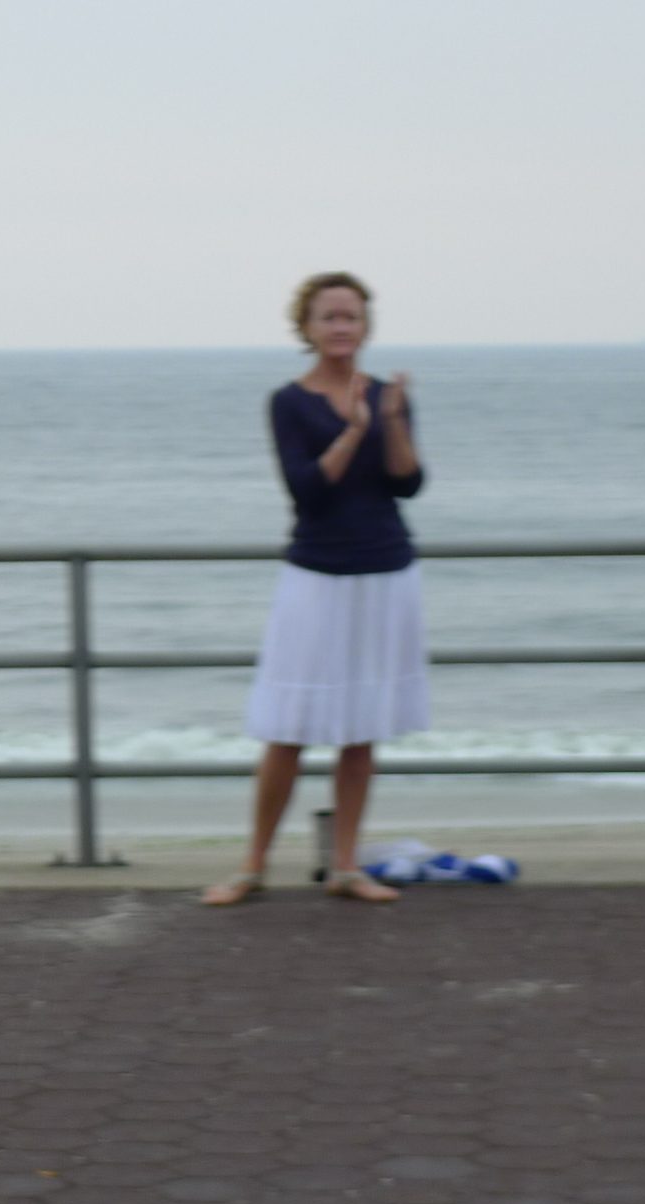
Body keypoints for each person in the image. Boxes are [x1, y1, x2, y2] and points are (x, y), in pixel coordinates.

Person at [202, 272, 428, 906]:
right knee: (289, 727)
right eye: (328, 316)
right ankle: (251, 866)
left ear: (366, 326)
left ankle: (347, 867)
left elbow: (408, 484)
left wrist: (390, 422)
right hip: (317, 575)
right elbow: (307, 489)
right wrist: (354, 430)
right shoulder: (289, 402)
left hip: (385, 570)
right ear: (306, 328)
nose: (340, 327)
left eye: (350, 316)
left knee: (362, 729)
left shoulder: (389, 396)